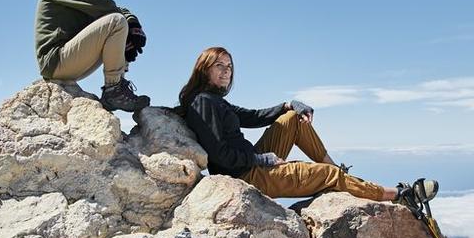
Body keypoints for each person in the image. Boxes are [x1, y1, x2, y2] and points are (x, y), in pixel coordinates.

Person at [178, 46, 438, 205]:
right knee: (328, 177)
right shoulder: (204, 103)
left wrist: (290, 105)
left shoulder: (213, 100)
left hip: (250, 164)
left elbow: (253, 116)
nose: (226, 72)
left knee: (292, 120)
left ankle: (338, 171)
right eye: (219, 66)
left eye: (230, 67)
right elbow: (220, 156)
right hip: (246, 175)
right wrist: (263, 159)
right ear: (204, 69)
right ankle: (397, 195)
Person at [34, 0, 149, 112]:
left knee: (120, 26)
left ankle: (117, 86)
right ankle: (113, 90)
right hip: (56, 61)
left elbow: (107, 9)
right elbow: (107, 6)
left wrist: (128, 36)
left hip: (68, 62)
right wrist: (132, 23)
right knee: (116, 22)